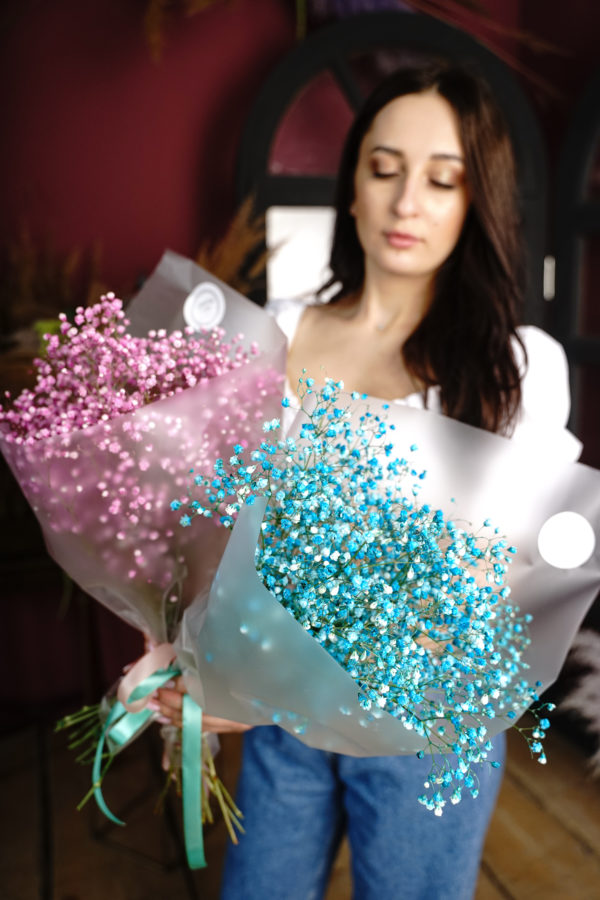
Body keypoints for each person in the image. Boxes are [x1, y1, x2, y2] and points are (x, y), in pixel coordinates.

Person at [158, 61, 579, 898]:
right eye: (385, 169)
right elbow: (224, 529)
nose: (407, 201)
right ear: (352, 187)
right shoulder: (275, 335)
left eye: (443, 179)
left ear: (476, 202)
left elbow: (498, 589)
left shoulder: (519, 368)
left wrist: (284, 686)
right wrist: (194, 652)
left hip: (428, 726)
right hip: (280, 725)